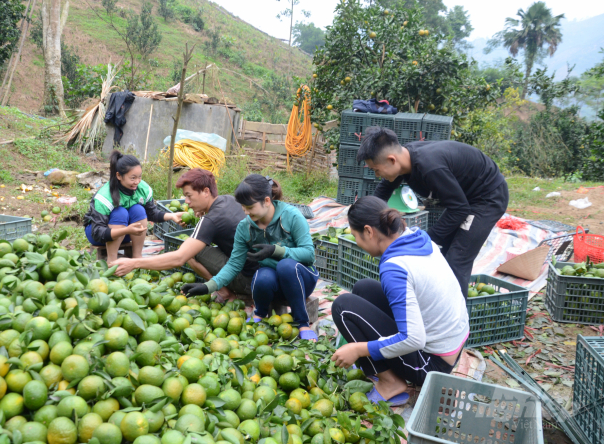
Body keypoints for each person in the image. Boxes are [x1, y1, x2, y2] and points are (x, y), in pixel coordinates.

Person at [331, 196, 469, 405]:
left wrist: (358, 349)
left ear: (369, 231)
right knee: (363, 289)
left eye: (355, 236)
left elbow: (414, 339)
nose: (357, 243)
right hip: (452, 346)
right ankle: (385, 373)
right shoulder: (417, 237)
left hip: (433, 365)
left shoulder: (395, 268)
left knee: (343, 308)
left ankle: (390, 383)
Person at [357, 127, 509, 298]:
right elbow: (382, 192)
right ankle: (435, 301)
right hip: (462, 199)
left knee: (457, 259)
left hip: (487, 198)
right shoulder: (404, 159)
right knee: (440, 253)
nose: (377, 175)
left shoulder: (430, 167)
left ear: (392, 160)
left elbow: (460, 209)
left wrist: (427, 238)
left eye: (376, 170)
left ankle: (456, 320)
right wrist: (364, 219)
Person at [180, 174, 320, 340]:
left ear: (266, 201)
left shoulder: (292, 216)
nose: (245, 212)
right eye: (243, 207)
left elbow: (309, 255)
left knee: (286, 266)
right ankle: (259, 315)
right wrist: (209, 286)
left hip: (301, 278)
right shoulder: (245, 227)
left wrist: (277, 251)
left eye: (250, 207)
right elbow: (234, 264)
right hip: (276, 285)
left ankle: (302, 323)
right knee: (262, 276)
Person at [109, 168, 258, 303]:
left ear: (206, 192)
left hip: (246, 280)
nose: (186, 202)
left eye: (189, 196)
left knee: (189, 253)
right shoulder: (228, 199)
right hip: (260, 274)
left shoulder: (210, 220)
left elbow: (179, 258)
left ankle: (224, 293)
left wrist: (134, 263)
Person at [83, 150, 183, 263]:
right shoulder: (105, 197)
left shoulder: (143, 189)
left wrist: (172, 216)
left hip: (128, 233)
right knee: (120, 212)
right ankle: (112, 262)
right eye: (133, 178)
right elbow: (98, 233)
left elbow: (152, 213)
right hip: (99, 236)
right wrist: (126, 229)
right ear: (119, 176)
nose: (137, 182)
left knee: (138, 209)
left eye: (139, 177)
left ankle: (137, 257)